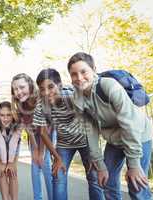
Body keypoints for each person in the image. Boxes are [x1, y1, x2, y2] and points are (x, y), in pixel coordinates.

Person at [67, 52, 153, 200]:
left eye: (83, 71)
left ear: (94, 69)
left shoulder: (108, 86)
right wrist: (100, 166)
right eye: (74, 74)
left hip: (138, 134)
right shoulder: (77, 98)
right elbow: (90, 131)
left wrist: (133, 164)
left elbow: (129, 123)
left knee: (136, 185)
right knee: (107, 182)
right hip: (114, 140)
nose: (79, 78)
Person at [32, 68, 104, 200]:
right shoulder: (41, 105)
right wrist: (57, 157)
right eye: (42, 89)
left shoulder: (72, 96)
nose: (47, 92)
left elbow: (93, 121)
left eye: (51, 87)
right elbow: (42, 132)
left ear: (60, 85)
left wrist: (95, 152)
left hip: (85, 140)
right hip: (64, 144)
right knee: (58, 175)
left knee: (94, 177)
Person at [11, 73, 53, 200]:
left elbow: (45, 131)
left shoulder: (40, 100)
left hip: (48, 132)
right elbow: (29, 131)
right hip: (34, 134)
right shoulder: (21, 105)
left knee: (45, 163)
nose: (19, 92)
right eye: (15, 89)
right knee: (35, 166)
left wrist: (41, 153)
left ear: (30, 85)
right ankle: (37, 197)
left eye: (22, 87)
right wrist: (35, 151)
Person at [0, 101, 21, 200]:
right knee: (2, 172)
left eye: (9, 115)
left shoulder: (18, 123)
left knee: (12, 171)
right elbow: (1, 144)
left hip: (14, 144)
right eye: (2, 115)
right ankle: (5, 198)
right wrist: (3, 163)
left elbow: (13, 143)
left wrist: (11, 163)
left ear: (13, 115)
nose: (5, 118)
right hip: (0, 145)